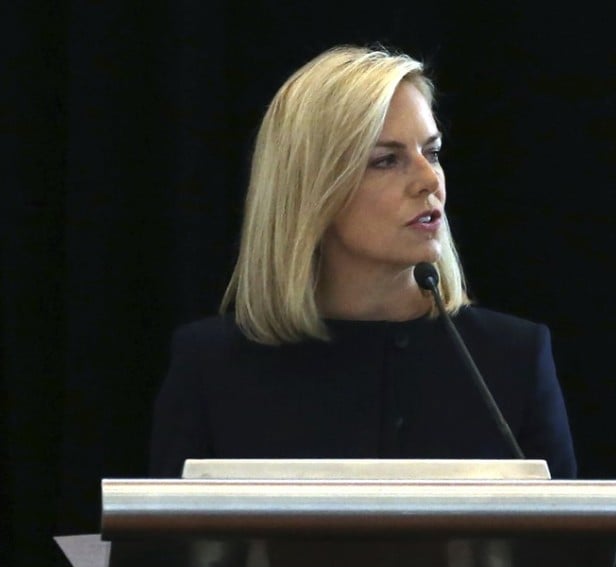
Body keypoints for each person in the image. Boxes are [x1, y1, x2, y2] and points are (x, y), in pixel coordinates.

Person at [148, 45, 577, 479]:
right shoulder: (211, 368)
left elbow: (565, 524)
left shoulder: (514, 358)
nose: (429, 180)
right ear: (311, 189)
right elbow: (166, 526)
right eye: (387, 160)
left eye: (432, 152)